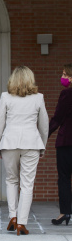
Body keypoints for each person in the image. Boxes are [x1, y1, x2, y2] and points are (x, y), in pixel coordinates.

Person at [0, 66, 48, 236]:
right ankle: (22, 224)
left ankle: (13, 217)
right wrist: (42, 146)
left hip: (9, 142)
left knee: (11, 180)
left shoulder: (5, 97)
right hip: (31, 143)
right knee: (27, 184)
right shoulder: (38, 98)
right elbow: (44, 125)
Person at [49, 63, 72, 226]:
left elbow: (57, 118)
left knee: (64, 178)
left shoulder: (67, 94)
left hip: (66, 142)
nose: (63, 77)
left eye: (66, 74)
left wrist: (43, 136)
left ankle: (65, 213)